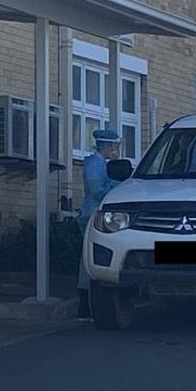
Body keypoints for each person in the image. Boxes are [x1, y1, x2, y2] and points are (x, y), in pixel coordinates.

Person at [76, 127, 122, 318]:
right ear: (109, 146)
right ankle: (85, 307)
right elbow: (97, 190)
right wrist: (118, 185)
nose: (116, 150)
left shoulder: (100, 163)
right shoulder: (95, 163)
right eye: (115, 146)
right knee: (89, 261)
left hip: (95, 214)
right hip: (92, 214)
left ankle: (87, 307)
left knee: (89, 260)